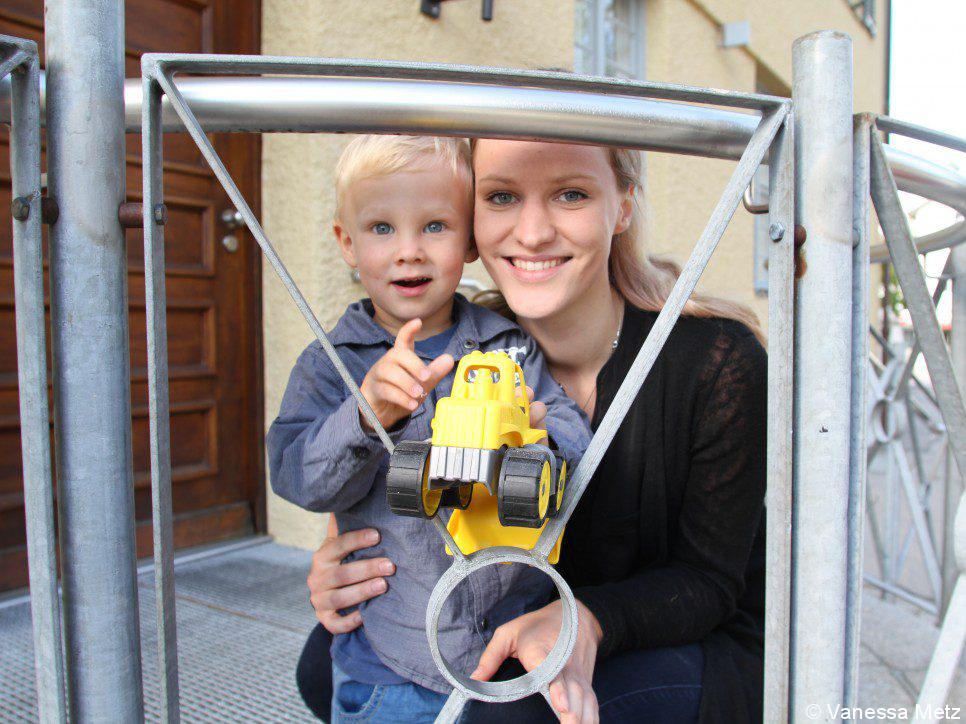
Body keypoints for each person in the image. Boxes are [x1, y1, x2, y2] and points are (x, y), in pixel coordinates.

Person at [298, 138, 767, 723]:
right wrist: (345, 564)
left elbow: (710, 581)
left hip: (682, 630)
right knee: (326, 664)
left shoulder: (716, 359)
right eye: (501, 196)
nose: (534, 232)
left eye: (571, 194)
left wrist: (585, 620)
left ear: (622, 205)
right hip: (516, 608)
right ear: (473, 220)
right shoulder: (474, 343)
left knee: (499, 716)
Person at [267, 135, 591, 723]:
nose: (409, 251)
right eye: (382, 228)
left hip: (507, 651)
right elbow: (296, 474)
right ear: (345, 241)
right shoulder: (332, 363)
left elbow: (571, 429)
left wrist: (543, 441)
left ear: (468, 241)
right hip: (392, 665)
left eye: (435, 227)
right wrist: (365, 415)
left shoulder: (508, 345)